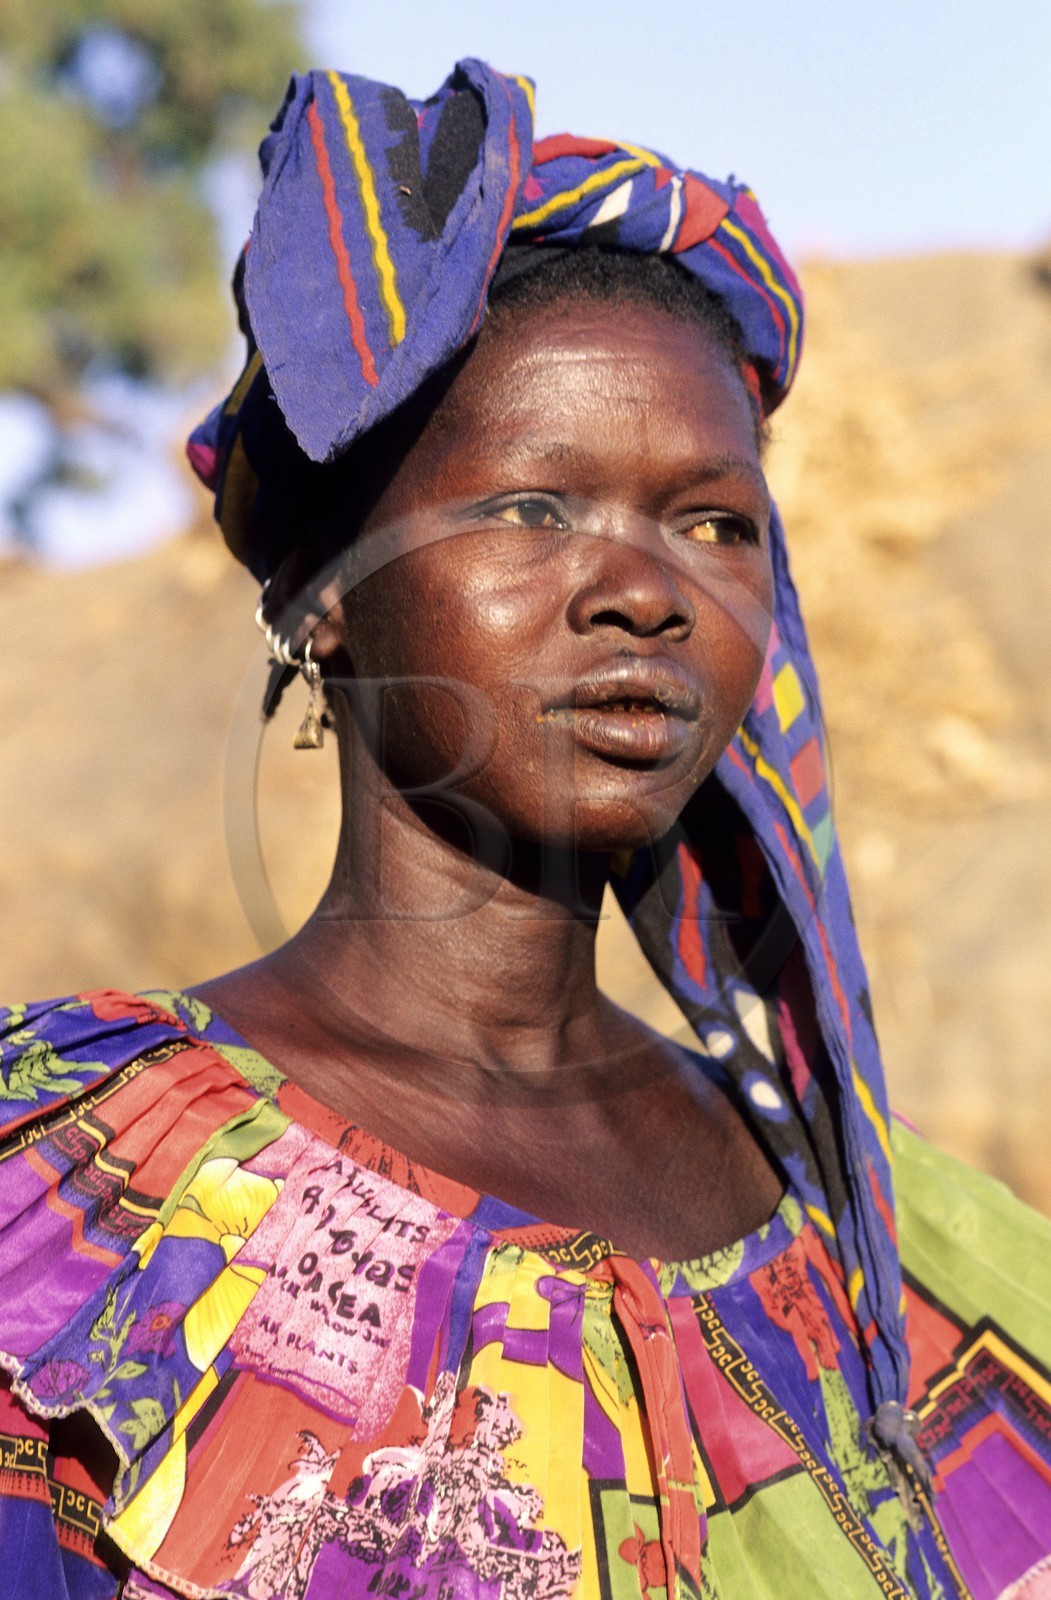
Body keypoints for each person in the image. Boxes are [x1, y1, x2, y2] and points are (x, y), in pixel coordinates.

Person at [0, 59, 1048, 1600]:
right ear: (333, 597)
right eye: (532, 510)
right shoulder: (73, 1209)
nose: (648, 590)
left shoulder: (906, 1256)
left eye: (715, 524)